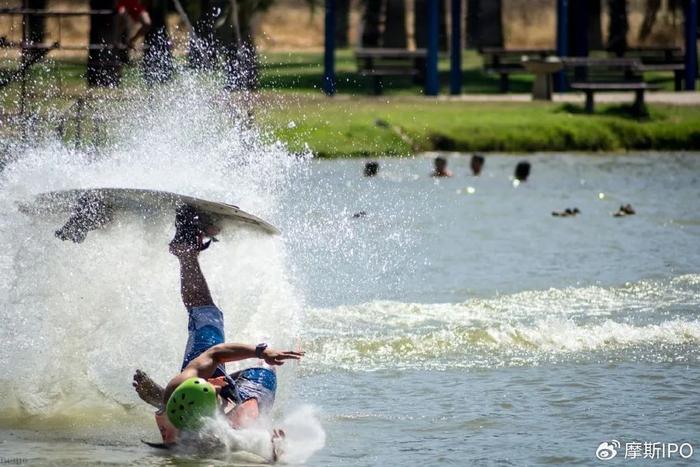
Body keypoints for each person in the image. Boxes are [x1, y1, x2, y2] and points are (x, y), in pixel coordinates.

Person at [132, 207, 303, 452]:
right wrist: (275, 447)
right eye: (214, 387)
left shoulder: (177, 390)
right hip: (246, 394)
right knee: (266, 372)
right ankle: (260, 369)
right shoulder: (242, 418)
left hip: (179, 401)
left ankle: (185, 250)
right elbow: (260, 448)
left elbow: (216, 354)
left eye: (210, 382)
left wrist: (261, 350)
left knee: (208, 320)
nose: (217, 381)